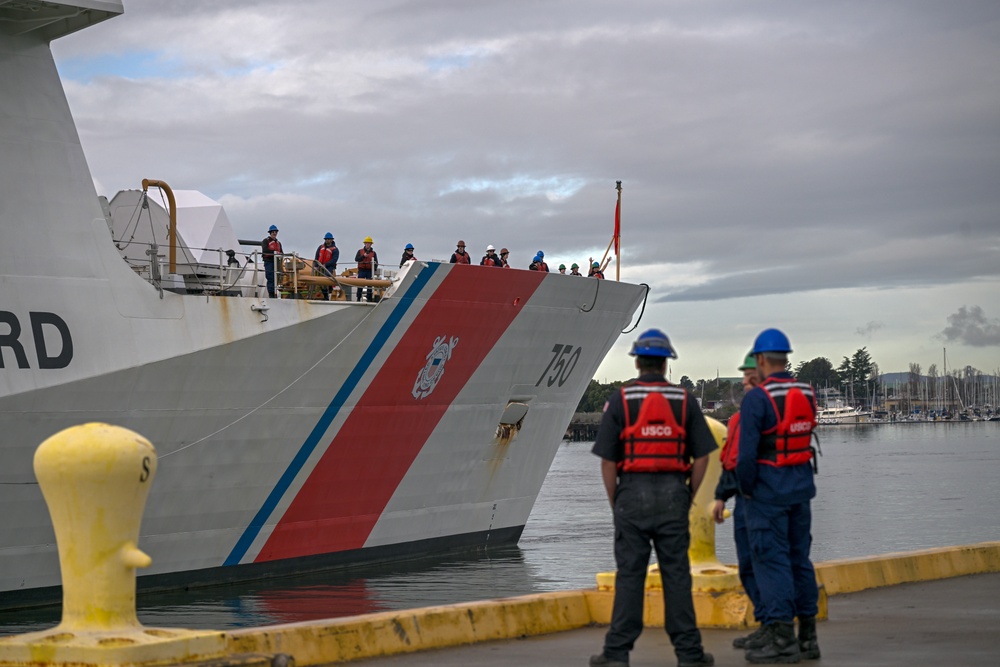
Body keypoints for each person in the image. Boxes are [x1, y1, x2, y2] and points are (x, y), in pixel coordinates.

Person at [590, 329, 716, 667]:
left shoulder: (620, 399)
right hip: (674, 492)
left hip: (631, 493)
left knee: (630, 575)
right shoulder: (685, 400)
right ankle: (690, 655)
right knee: (677, 575)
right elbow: (702, 457)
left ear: (637, 361)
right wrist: (688, 494)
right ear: (665, 363)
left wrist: (616, 501)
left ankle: (616, 654)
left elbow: (608, 461)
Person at [736, 328, 820, 663]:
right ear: (786, 357)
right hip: (801, 487)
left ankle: (782, 639)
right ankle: (808, 638)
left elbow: (745, 458)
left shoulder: (758, 398)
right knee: (800, 560)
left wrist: (746, 490)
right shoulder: (805, 390)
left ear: (760, 359)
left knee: (772, 563)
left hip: (768, 492)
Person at [712, 353, 764, 651]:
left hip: (752, 500)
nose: (743, 383)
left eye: (747, 377)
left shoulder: (746, 417)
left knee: (753, 565)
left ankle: (771, 627)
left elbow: (737, 461)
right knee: (784, 563)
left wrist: (723, 495)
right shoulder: (784, 407)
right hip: (787, 496)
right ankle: (801, 632)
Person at [313, 232, 339, 299]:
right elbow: (316, 256)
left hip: (329, 267)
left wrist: (326, 264)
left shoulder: (335, 249)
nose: (327, 240)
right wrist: (316, 265)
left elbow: (334, 260)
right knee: (318, 281)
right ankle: (324, 294)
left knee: (326, 278)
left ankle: (328, 292)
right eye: (326, 239)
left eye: (329, 239)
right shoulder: (320, 247)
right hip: (320, 266)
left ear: (332, 240)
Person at [260, 224, 283, 298]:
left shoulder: (279, 243)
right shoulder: (265, 241)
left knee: (277, 277)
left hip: (277, 262)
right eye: (273, 232)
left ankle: (277, 292)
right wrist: (274, 252)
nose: (274, 233)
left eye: (276, 232)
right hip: (269, 262)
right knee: (270, 278)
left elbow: (281, 252)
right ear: (270, 233)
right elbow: (265, 250)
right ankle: (271, 294)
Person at [355, 236, 378, 302]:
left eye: (369, 243)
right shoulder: (360, 251)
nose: (368, 244)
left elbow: (376, 262)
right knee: (360, 284)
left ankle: (369, 298)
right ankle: (358, 298)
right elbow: (357, 259)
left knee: (369, 285)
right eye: (367, 243)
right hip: (361, 270)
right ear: (365, 244)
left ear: (371, 244)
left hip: (369, 270)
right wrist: (363, 256)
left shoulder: (373, 253)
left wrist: (374, 269)